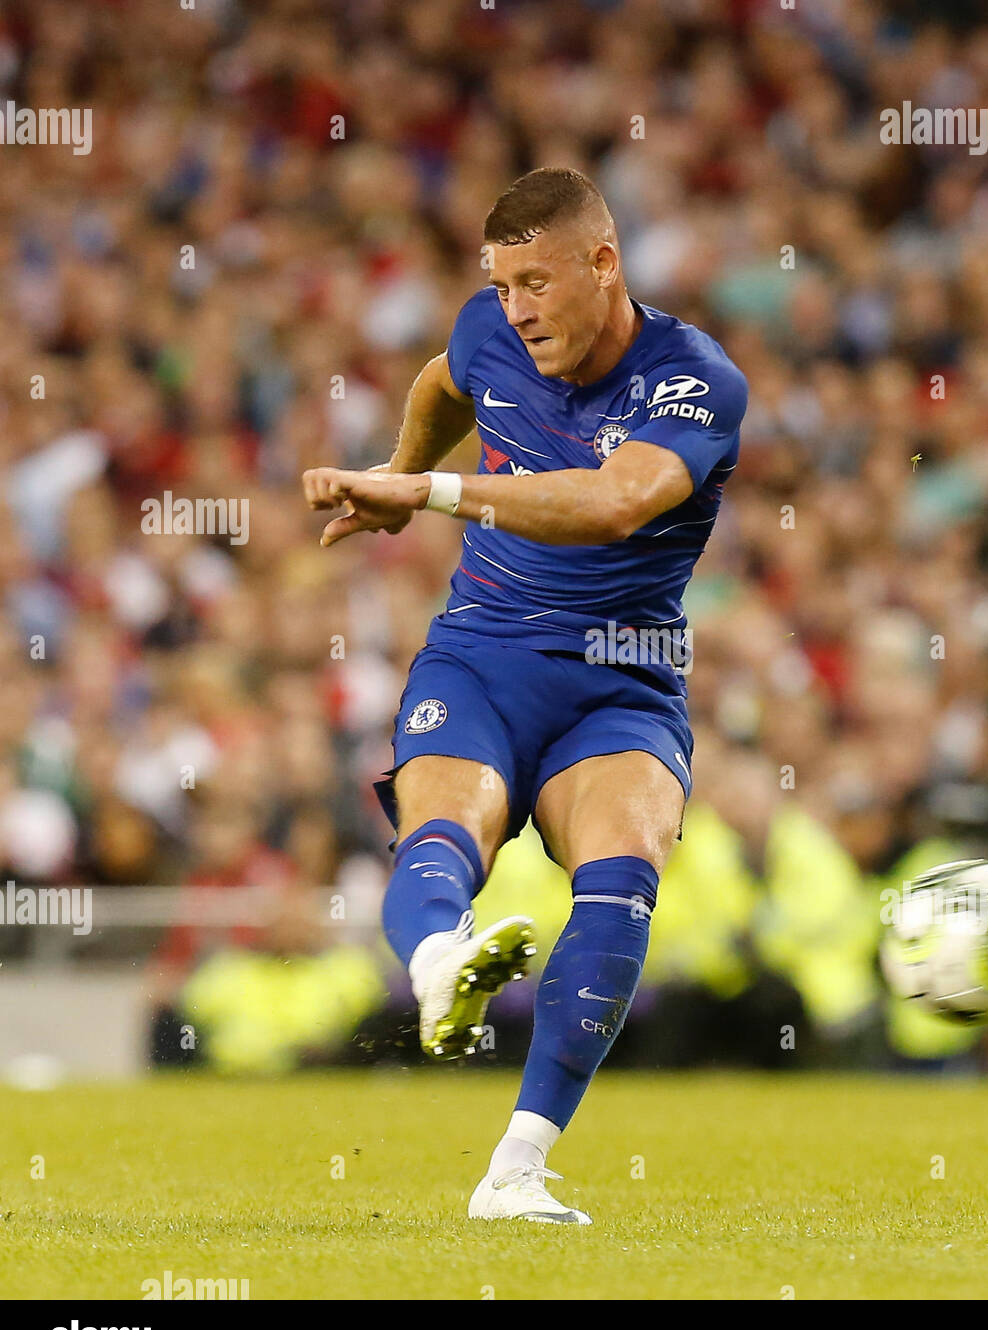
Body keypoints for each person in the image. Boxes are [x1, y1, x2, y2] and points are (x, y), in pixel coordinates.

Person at [301, 168, 747, 1223]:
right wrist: (403, 472)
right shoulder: (485, 331)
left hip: (621, 682)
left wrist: (431, 488)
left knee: (622, 865)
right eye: (501, 285)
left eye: (537, 281)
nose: (516, 309)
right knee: (441, 827)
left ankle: (517, 1168)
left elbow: (613, 503)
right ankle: (442, 959)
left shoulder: (694, 379)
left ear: (605, 262)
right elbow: (444, 381)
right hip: (483, 655)